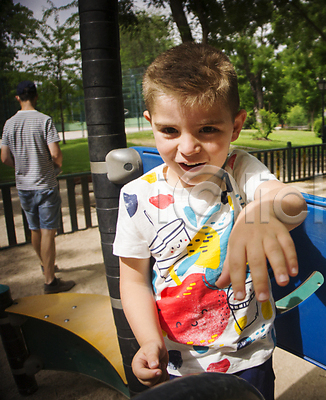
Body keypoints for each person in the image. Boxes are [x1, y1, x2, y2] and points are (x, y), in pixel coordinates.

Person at [113, 42, 307, 400]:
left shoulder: (239, 170)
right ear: (151, 124)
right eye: (170, 131)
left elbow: (292, 201)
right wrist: (149, 341)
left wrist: (261, 211)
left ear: (236, 126)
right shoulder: (137, 198)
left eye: (207, 130)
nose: (188, 148)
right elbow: (134, 280)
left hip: (248, 356)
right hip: (176, 363)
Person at [1, 80, 75, 295]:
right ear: (36, 96)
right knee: (48, 231)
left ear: (17, 98)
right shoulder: (44, 120)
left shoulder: (9, 123)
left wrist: (21, 166)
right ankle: (50, 281)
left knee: (34, 229)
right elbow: (55, 154)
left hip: (24, 186)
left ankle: (46, 265)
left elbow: (4, 157)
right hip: (45, 184)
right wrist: (55, 167)